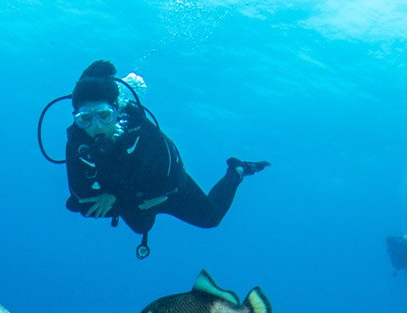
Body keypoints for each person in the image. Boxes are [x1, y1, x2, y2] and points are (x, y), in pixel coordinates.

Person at [62, 60, 270, 258]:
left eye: (104, 116)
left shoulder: (143, 134)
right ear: (76, 118)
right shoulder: (77, 145)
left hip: (170, 191)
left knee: (211, 218)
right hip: (134, 201)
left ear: (116, 111)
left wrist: (116, 200)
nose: (96, 126)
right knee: (141, 227)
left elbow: (172, 181)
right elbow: (80, 204)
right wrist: (124, 202)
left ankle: (237, 171)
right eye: (85, 119)